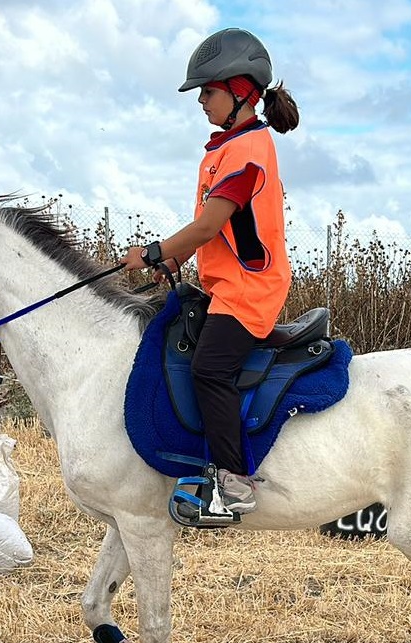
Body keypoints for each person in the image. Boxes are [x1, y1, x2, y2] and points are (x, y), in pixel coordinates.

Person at [123, 27, 300, 517]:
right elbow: (218, 232)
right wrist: (178, 261)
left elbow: (208, 225)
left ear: (240, 90)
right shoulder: (228, 147)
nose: (201, 101)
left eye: (208, 91)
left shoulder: (248, 150)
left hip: (250, 289)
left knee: (210, 368)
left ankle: (235, 484)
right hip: (226, 286)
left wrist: (159, 252)